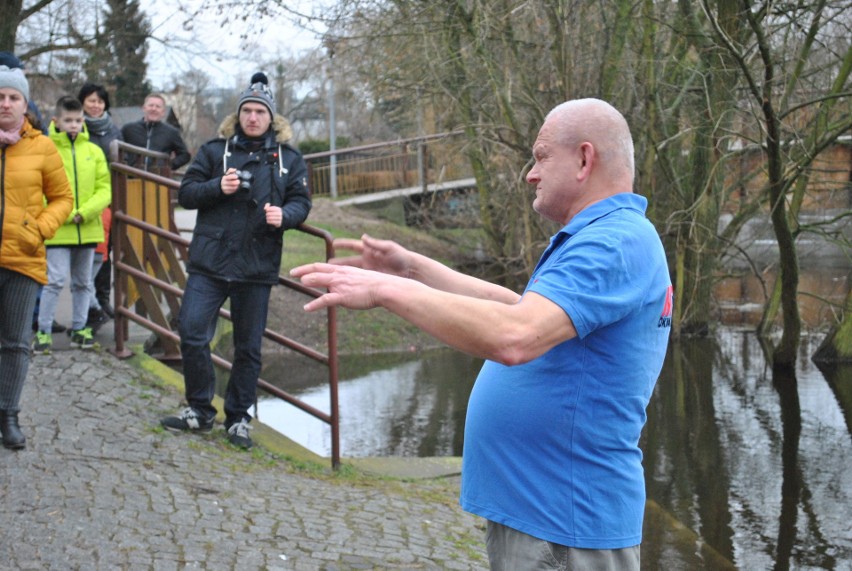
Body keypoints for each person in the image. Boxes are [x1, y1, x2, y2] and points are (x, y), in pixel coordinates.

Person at [291, 99, 673, 570]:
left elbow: (515, 336)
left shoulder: (613, 241)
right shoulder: (607, 235)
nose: (530, 174)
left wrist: (384, 290)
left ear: (584, 159)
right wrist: (411, 269)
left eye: (541, 155)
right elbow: (516, 308)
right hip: (548, 516)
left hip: (564, 524)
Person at [160, 72, 312, 449]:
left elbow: (302, 202)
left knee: (248, 348)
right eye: (247, 110)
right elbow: (187, 194)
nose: (253, 118)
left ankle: (239, 418)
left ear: (271, 118)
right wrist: (218, 186)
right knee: (192, 333)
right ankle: (199, 410)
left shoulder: (288, 159)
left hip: (256, 266)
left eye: (260, 112)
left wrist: (286, 216)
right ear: (239, 115)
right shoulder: (215, 151)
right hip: (210, 262)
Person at [0, 66, 73, 449]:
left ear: (25, 105)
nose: (6, 104)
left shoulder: (42, 146)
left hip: (23, 258)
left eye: (13, 97)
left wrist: (39, 229)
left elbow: (63, 198)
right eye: (0, 97)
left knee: (14, 342)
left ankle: (8, 414)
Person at [33, 96, 111, 353]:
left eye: (78, 120)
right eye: (69, 120)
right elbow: (41, 189)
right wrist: (67, 213)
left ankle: (80, 328)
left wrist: (84, 212)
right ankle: (42, 331)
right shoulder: (46, 150)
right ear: (56, 121)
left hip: (87, 228)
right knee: (54, 281)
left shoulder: (94, 152)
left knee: (83, 283)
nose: (74, 125)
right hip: (58, 230)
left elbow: (104, 190)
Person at [78, 83, 121, 326]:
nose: (96, 105)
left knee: (105, 253)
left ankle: (101, 300)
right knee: (87, 254)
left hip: (108, 200)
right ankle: (88, 304)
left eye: (100, 101)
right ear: (83, 102)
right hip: (84, 198)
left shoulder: (114, 130)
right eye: (91, 100)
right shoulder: (75, 126)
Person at [120, 92, 191, 171]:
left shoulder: (171, 132)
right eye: (151, 105)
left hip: (158, 180)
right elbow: (118, 149)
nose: (154, 109)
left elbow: (185, 155)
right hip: (131, 178)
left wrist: (168, 166)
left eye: (158, 107)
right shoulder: (128, 129)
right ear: (144, 108)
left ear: (163, 112)